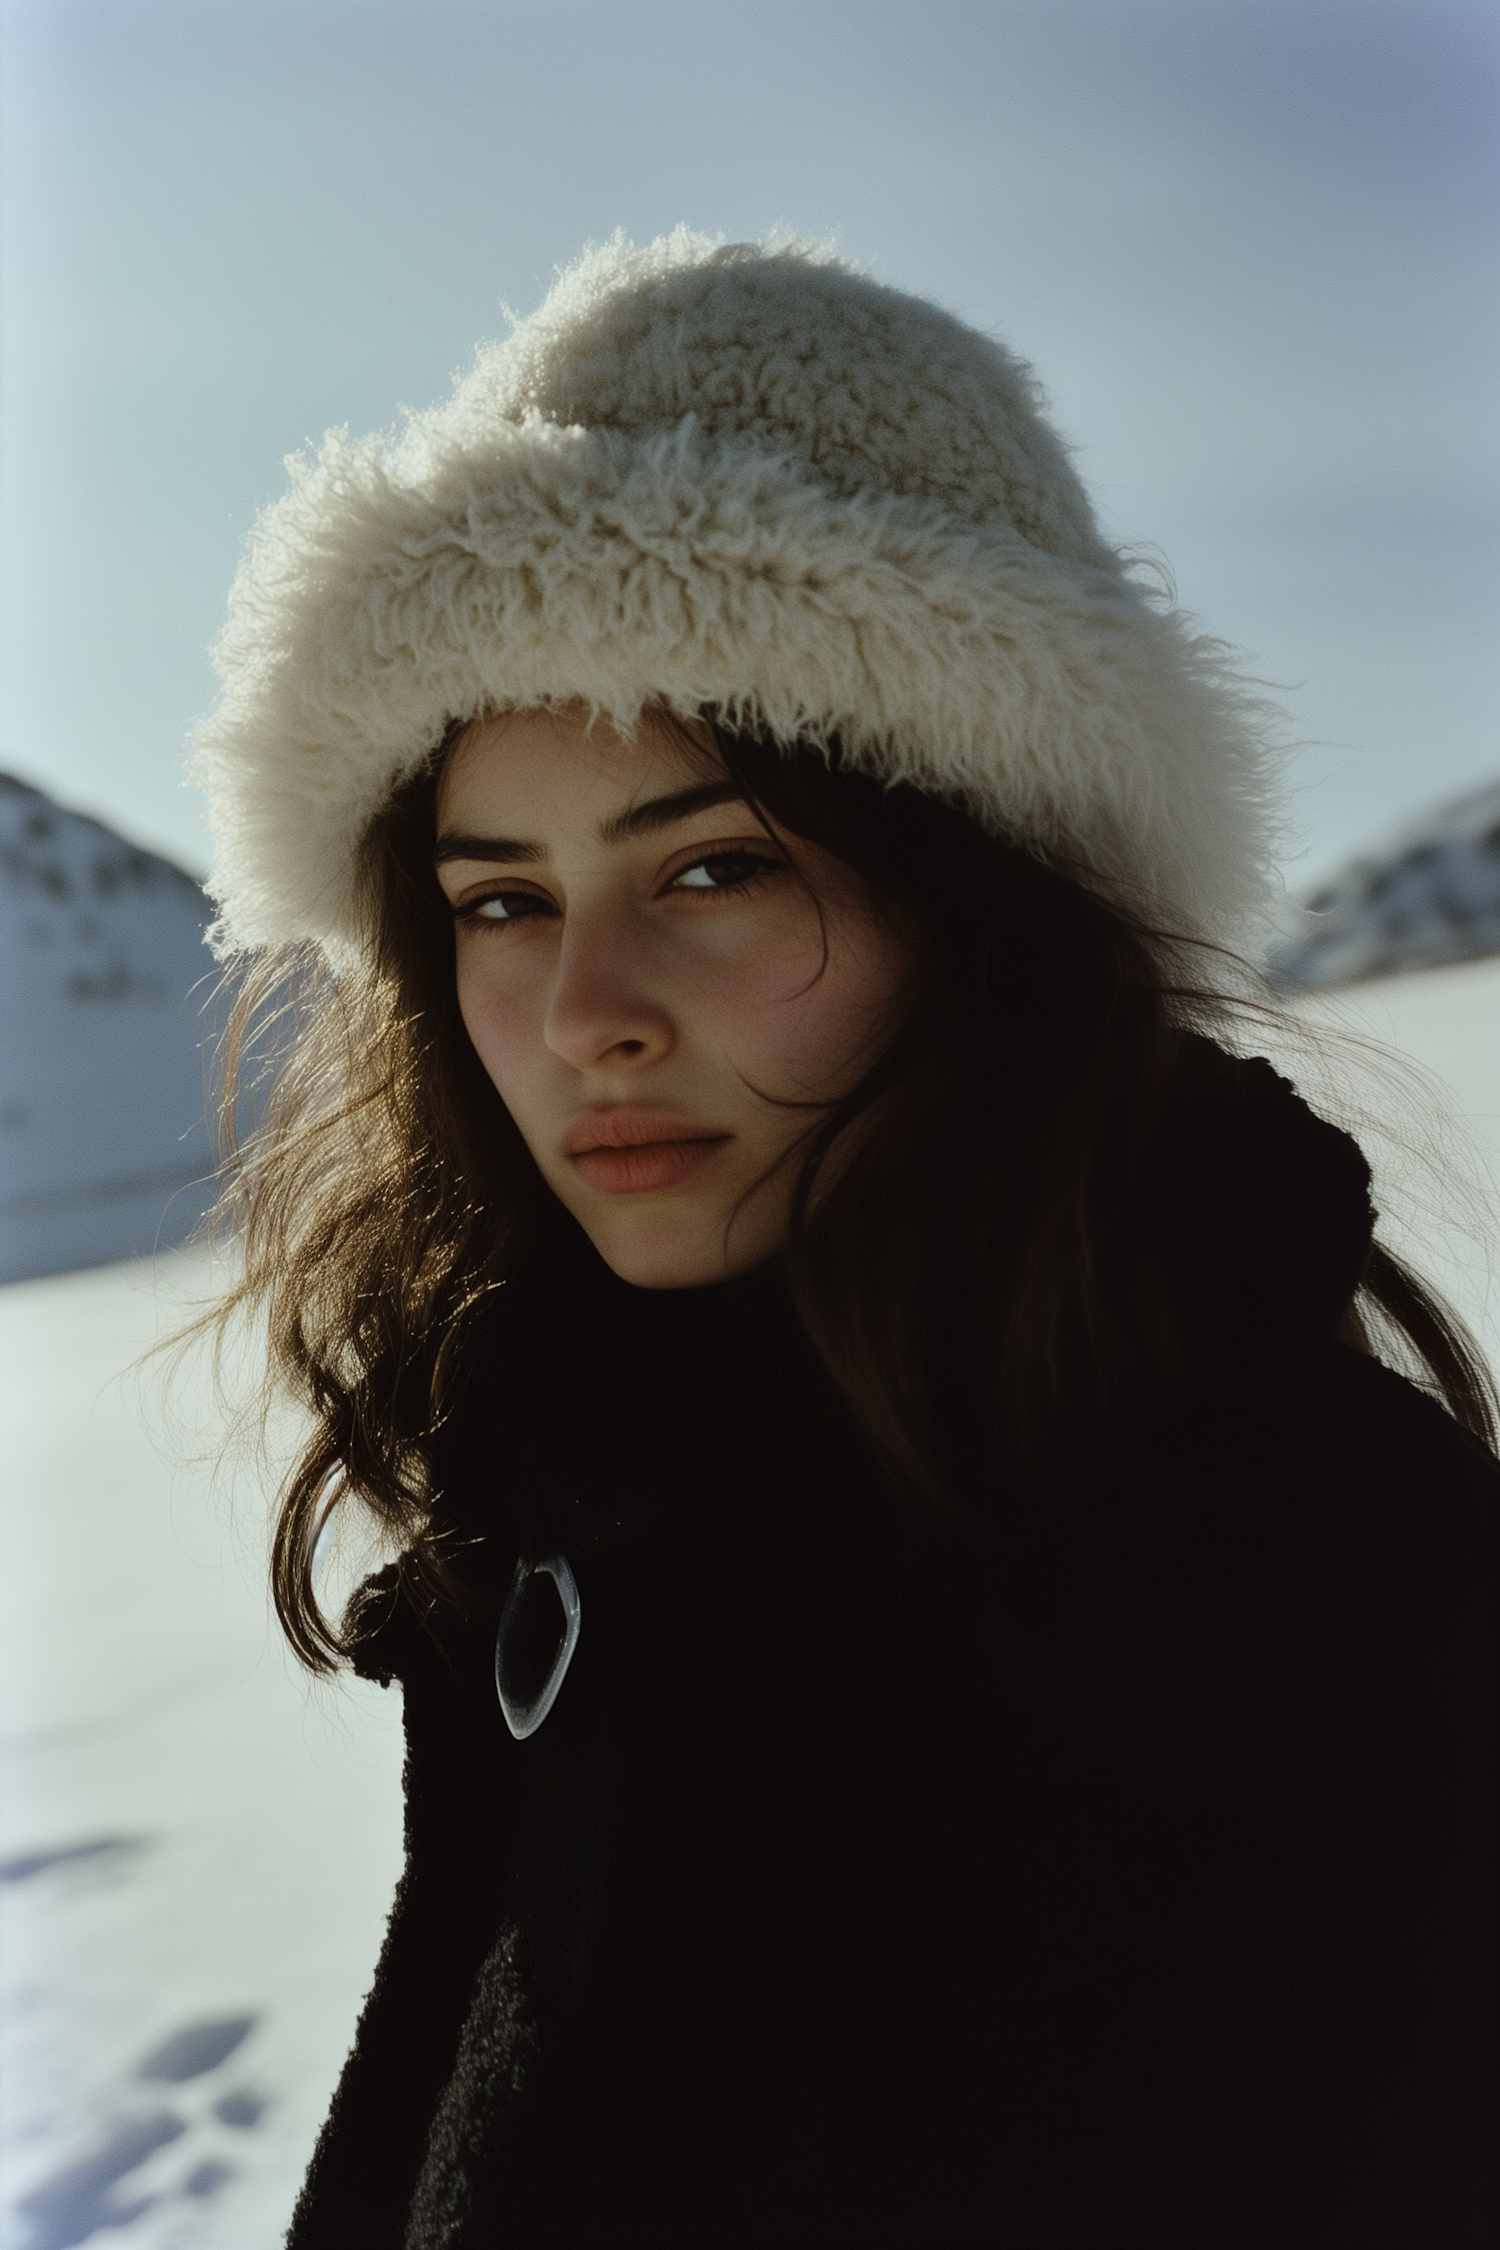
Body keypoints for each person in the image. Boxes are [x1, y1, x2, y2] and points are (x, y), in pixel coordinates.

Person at [192, 233, 1498, 2247]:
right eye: (499, 898)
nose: (579, 1013)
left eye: (713, 866)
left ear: (985, 903)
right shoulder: (555, 1515)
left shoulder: (1321, 1581)